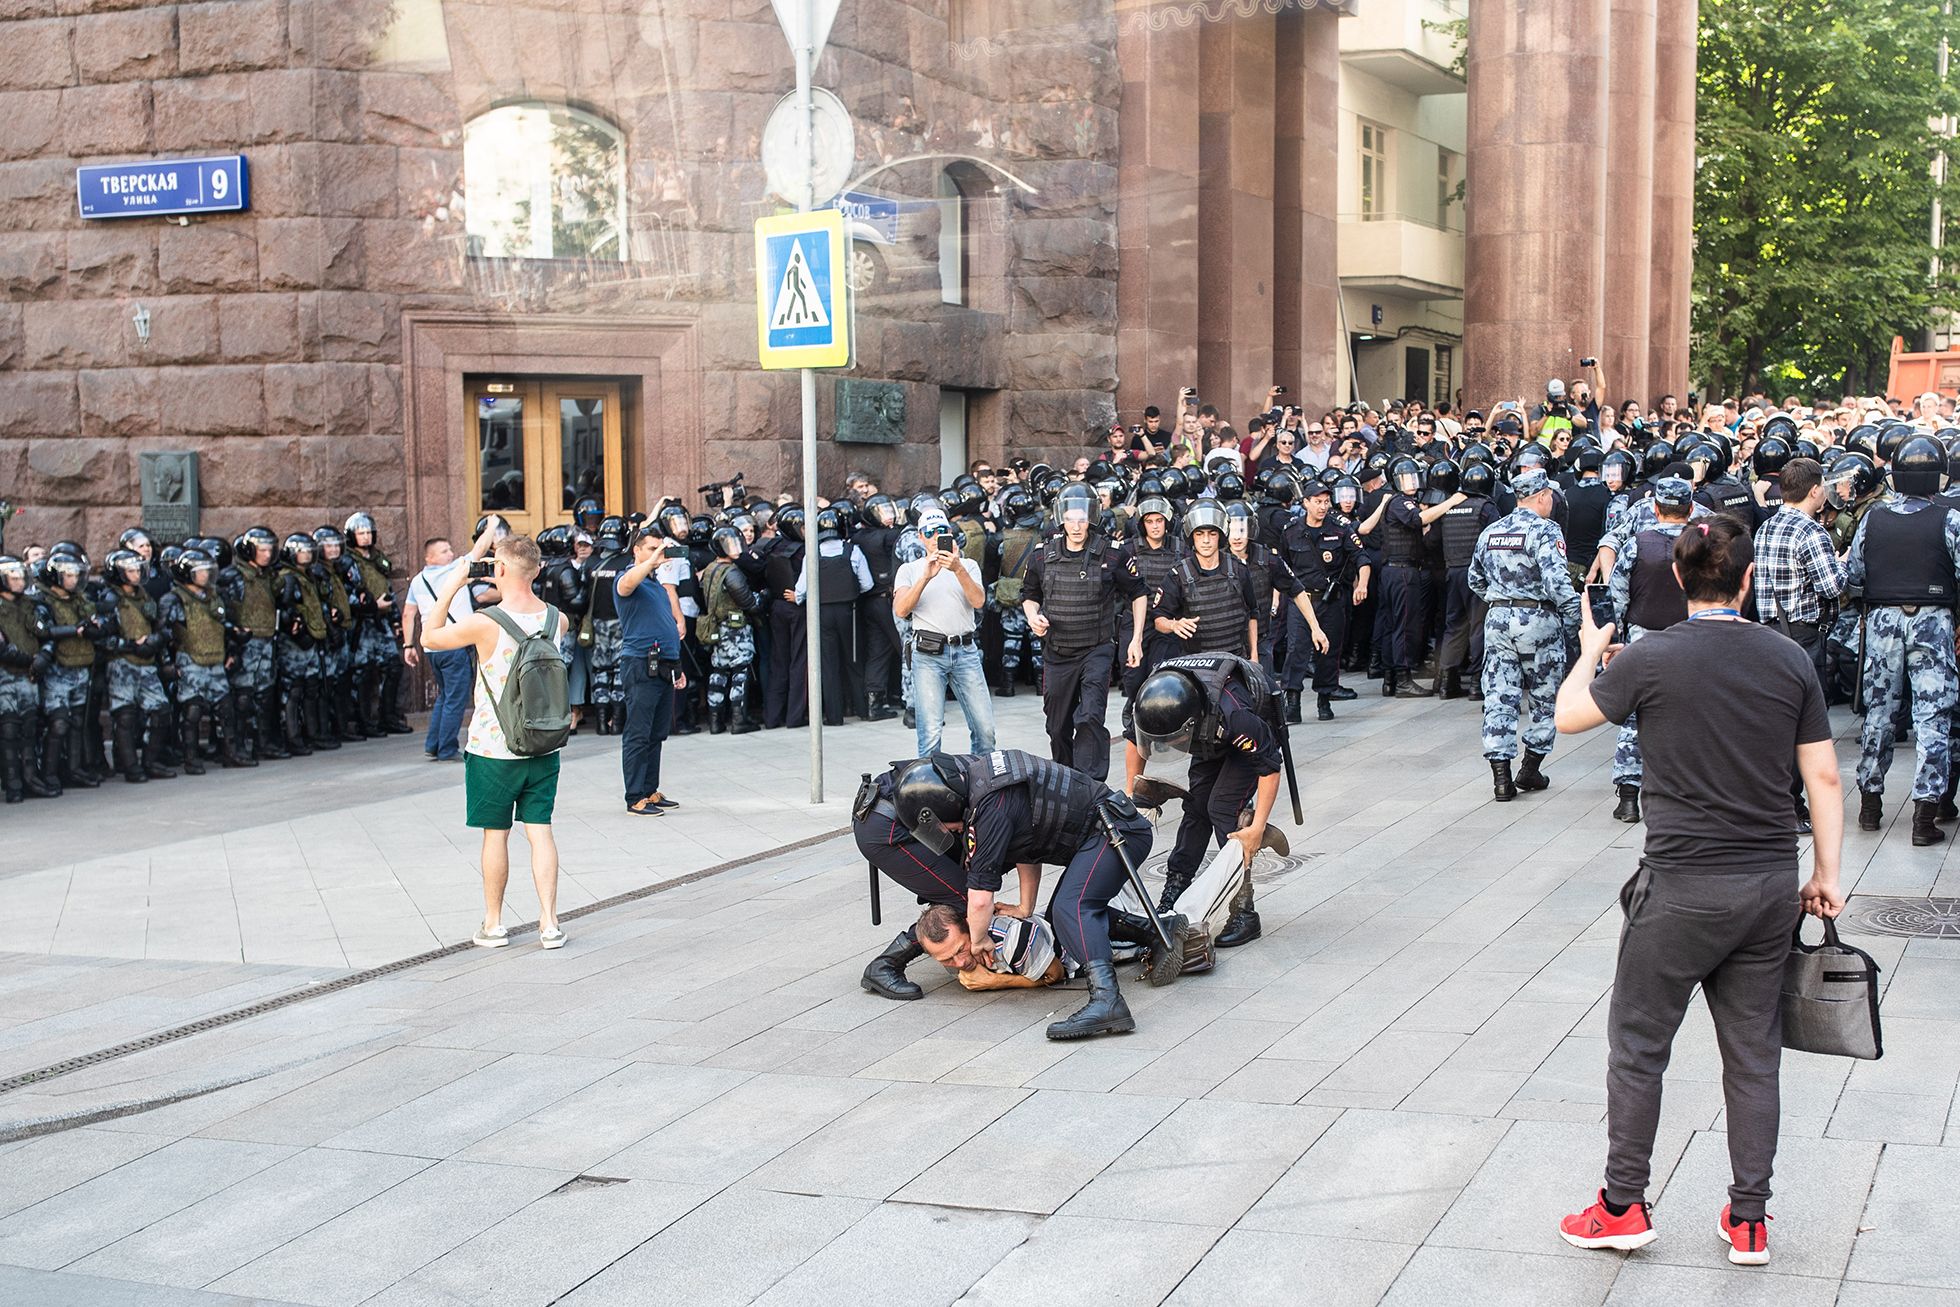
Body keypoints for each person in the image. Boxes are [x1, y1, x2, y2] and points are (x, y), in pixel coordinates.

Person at [1552, 513, 1843, 1269]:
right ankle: (1749, 1219)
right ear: (1747, 579)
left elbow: (1567, 717)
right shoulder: (1788, 658)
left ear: (1678, 576)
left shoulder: (1651, 656)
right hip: (1768, 884)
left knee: (1639, 1047)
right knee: (1754, 1055)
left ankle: (1623, 1205)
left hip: (1678, 887)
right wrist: (1826, 874)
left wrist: (1588, 651)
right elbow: (1822, 776)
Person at [892, 749, 1171, 1040]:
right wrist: (1026, 907)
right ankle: (1157, 932)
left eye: (941, 825)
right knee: (1061, 917)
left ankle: (1108, 1001)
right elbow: (1027, 846)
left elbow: (980, 897)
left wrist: (979, 940)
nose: (950, 831)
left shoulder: (987, 810)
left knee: (1071, 908)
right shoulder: (985, 783)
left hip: (1116, 831)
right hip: (1111, 827)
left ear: (942, 806)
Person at [420, 520, 569, 951]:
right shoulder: (556, 620)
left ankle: (494, 923)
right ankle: (549, 923)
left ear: (498, 570)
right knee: (540, 831)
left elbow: (429, 637)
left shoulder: (485, 623)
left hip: (493, 747)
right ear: (537, 571)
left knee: (495, 834)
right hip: (543, 743)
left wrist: (454, 582)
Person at [1126, 653, 1285, 948]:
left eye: (1173, 741)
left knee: (1221, 808)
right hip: (1209, 736)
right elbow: (1135, 740)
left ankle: (1244, 910)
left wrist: (1257, 828)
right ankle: (1174, 889)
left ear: (1189, 723)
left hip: (1244, 737)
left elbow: (1269, 767)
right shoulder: (1150, 698)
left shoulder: (1236, 716)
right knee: (1197, 807)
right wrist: (1131, 794)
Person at [1845, 436, 1960, 844]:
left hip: (1881, 623)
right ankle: (1925, 817)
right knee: (1933, 716)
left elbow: (1854, 574)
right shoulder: (1949, 520)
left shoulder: (1873, 518)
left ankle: (1869, 806)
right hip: (1933, 621)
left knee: (1879, 713)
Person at [1021, 484, 1147, 781]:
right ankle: (1066, 780)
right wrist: (1033, 617)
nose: (1076, 526)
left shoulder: (1112, 554)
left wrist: (1136, 639)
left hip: (1096, 649)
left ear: (1091, 517)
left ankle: (1091, 785)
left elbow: (1138, 593)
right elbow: (1029, 594)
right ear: (1060, 519)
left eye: (1082, 519)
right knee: (1057, 727)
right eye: (1070, 519)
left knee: (1090, 716)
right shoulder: (1042, 555)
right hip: (1057, 652)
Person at [1469, 468, 1580, 801]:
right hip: (1538, 621)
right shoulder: (1546, 530)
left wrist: (1502, 599)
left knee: (1499, 696)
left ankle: (1501, 778)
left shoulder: (1492, 531)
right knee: (1544, 697)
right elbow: (1557, 582)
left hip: (1498, 620)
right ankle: (1530, 768)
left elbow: (1475, 579)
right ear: (1542, 496)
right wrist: (1577, 618)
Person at [1603, 476, 1694, 823]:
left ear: (1655, 508)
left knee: (1634, 718)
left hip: (1643, 638)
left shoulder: (1636, 545)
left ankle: (1628, 798)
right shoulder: (1702, 546)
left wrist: (1613, 640)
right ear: (1690, 508)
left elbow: (1616, 597)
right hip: (1690, 639)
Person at [893, 507, 995, 758]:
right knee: (930, 733)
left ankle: (983, 778)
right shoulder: (910, 569)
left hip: (965, 651)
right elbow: (901, 609)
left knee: (985, 730)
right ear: (920, 537)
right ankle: (929, 783)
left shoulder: (968, 565)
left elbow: (979, 601)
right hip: (928, 653)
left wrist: (958, 569)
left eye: (941, 530)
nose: (936, 536)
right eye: (930, 532)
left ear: (950, 532)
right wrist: (925, 577)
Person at [615, 523, 686, 817]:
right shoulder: (627, 579)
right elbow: (627, 583)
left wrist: (677, 666)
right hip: (640, 664)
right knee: (638, 733)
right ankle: (635, 797)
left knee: (656, 734)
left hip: (664, 665)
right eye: (651, 548)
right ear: (636, 550)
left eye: (660, 548)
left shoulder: (656, 586)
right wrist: (650, 562)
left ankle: (649, 790)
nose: (657, 553)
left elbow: (666, 625)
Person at [160, 547, 251, 774]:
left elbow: (224, 625)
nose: (206, 575)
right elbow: (162, 634)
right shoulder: (174, 600)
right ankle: (191, 758)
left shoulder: (214, 596)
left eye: (208, 570)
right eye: (201, 571)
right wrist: (167, 663)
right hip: (190, 660)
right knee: (193, 710)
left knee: (226, 708)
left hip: (215, 658)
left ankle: (230, 752)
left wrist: (232, 649)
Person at [97, 549, 176, 784]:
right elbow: (102, 639)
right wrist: (131, 645)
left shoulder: (144, 596)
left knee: (161, 711)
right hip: (122, 664)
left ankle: (150, 761)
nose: (136, 574)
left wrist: (156, 644)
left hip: (147, 662)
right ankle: (130, 766)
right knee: (125, 717)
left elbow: (156, 626)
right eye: (130, 571)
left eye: (137, 569)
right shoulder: (110, 599)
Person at [402, 536, 477, 762]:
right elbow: (480, 548)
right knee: (455, 699)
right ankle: (447, 748)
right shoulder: (455, 571)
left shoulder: (417, 580)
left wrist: (408, 645)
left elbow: (408, 614)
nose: (451, 554)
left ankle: (433, 745)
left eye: (450, 549)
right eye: (444, 551)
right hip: (455, 645)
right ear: (429, 557)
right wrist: (492, 525)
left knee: (445, 697)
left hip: (433, 648)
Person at [0, 555, 55, 802]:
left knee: (29, 727)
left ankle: (31, 779)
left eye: (21, 577)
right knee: (9, 730)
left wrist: (44, 655)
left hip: (28, 676)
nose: (20, 582)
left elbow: (45, 632)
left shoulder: (29, 605)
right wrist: (31, 660)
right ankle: (13, 784)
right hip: (6, 675)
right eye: (14, 578)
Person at [697, 525, 762, 734]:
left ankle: (715, 721)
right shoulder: (731, 572)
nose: (735, 548)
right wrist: (764, 597)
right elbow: (748, 602)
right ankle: (738, 719)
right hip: (735, 629)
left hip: (717, 627)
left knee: (718, 672)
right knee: (740, 671)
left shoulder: (710, 569)